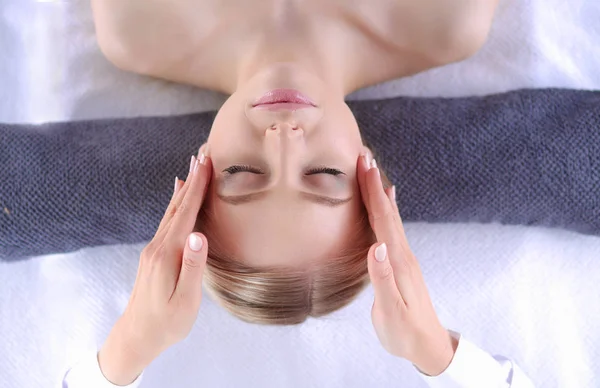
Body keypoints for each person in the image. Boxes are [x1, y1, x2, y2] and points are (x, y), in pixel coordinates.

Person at [64, 0, 535, 386]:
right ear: (369, 172)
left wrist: (128, 350)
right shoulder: (448, 19)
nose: (284, 136)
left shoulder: (137, 25)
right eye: (324, 174)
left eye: (245, 174)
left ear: (202, 165)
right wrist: (436, 353)